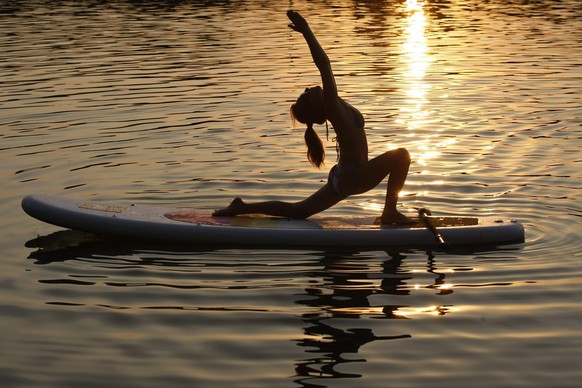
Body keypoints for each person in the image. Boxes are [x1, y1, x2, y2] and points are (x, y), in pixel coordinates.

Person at [213, 10, 413, 225]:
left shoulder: (333, 106)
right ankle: (389, 212)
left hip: (345, 176)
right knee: (401, 155)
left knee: (299, 211)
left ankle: (241, 207)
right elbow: (324, 64)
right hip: (355, 175)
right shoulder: (332, 106)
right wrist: (306, 31)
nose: (308, 87)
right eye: (305, 94)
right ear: (317, 106)